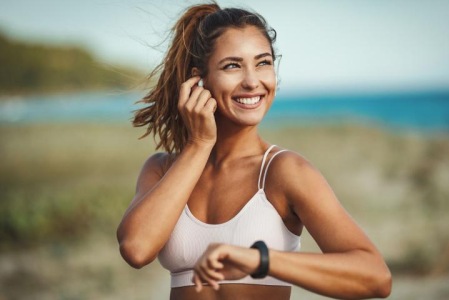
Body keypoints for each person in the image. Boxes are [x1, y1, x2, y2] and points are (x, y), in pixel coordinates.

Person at [117, 2, 392, 299]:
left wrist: (260, 259)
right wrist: (199, 145)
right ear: (199, 79)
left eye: (263, 63)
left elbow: (376, 277)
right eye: (232, 65)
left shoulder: (283, 171)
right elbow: (137, 249)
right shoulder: (161, 168)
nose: (252, 81)